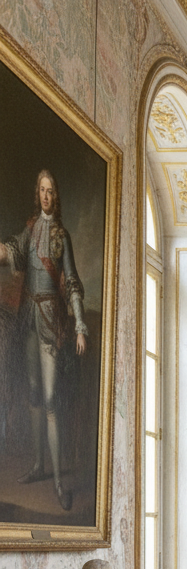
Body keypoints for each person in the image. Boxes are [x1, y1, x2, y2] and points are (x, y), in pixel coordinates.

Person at [0, 170, 88, 512]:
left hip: (51, 320)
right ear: (37, 194)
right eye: (42, 190)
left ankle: (57, 482)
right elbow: (11, 250)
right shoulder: (31, 228)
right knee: (35, 393)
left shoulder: (62, 237)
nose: (46, 195)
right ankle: (38, 466)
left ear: (57, 195)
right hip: (28, 319)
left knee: (51, 399)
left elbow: (74, 283)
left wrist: (80, 325)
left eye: (51, 190)